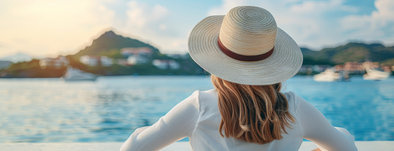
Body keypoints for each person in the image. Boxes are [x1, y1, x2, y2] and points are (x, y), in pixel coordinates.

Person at [121, 6, 357, 151]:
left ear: (216, 62)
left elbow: (133, 149)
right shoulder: (295, 107)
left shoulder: (199, 106)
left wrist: (146, 129)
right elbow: (345, 147)